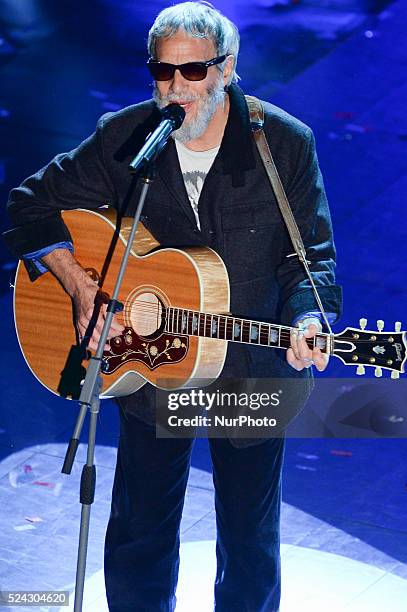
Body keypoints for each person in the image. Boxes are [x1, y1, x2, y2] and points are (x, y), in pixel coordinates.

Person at [4, 2, 342, 610]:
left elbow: (310, 258)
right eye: (163, 73)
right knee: (142, 526)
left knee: (248, 533)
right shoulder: (130, 134)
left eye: (192, 73)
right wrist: (82, 288)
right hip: (150, 361)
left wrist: (309, 320)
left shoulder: (283, 143)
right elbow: (29, 205)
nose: (175, 88)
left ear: (227, 70)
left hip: (248, 365)